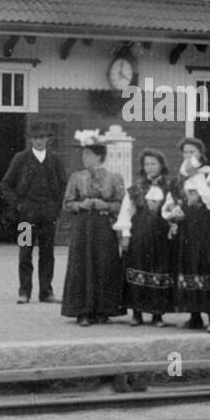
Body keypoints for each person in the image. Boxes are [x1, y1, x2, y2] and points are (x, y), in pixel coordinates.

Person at [60, 130, 127, 325]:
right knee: (82, 265)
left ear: (99, 156)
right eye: (83, 154)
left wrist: (105, 205)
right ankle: (82, 310)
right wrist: (81, 205)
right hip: (84, 227)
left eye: (88, 154)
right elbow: (67, 203)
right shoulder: (76, 177)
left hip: (105, 227)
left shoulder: (114, 178)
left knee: (104, 263)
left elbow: (122, 204)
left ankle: (103, 309)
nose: (84, 158)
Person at [0, 119, 68, 304]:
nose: (39, 141)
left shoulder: (55, 160)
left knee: (47, 254)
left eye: (42, 137)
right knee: (25, 252)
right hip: (25, 216)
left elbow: (64, 185)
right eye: (35, 137)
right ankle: (24, 292)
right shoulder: (20, 159)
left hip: (48, 215)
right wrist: (18, 205)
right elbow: (6, 185)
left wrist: (56, 207)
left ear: (48, 139)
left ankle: (46, 292)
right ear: (30, 140)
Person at [162, 137, 210, 331]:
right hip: (186, 229)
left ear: (201, 154)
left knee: (208, 267)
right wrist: (173, 212)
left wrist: (196, 177)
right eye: (186, 153)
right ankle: (194, 315)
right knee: (188, 268)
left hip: (206, 228)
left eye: (192, 152)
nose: (188, 156)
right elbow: (169, 203)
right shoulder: (179, 180)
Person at [114, 148, 174, 326]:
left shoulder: (170, 187)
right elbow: (126, 213)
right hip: (139, 236)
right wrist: (125, 235)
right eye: (146, 164)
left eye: (153, 163)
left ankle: (157, 314)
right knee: (137, 272)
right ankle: (137, 313)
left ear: (161, 165)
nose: (149, 167)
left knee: (159, 273)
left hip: (161, 238)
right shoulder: (136, 189)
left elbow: (173, 210)